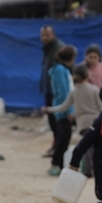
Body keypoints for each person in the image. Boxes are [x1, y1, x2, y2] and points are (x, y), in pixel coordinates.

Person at [44, 64, 102, 177]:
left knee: (87, 148)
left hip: (83, 124)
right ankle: (97, 170)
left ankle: (88, 170)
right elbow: (101, 107)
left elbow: (63, 107)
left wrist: (49, 109)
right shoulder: (94, 89)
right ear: (88, 74)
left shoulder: (74, 92)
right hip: (96, 122)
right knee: (97, 147)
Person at [46, 45, 77, 176]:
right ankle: (55, 164)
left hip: (62, 108)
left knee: (64, 137)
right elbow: (64, 92)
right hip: (63, 110)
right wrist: (69, 110)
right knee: (63, 137)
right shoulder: (60, 70)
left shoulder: (61, 69)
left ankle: (59, 163)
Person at [38, 25, 65, 157]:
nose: (44, 38)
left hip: (57, 92)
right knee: (52, 120)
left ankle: (59, 149)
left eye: (47, 35)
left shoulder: (59, 48)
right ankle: (56, 145)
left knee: (57, 121)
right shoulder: (48, 49)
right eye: (43, 35)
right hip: (49, 89)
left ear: (53, 34)